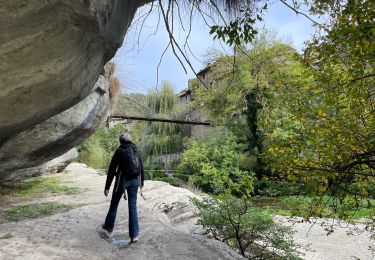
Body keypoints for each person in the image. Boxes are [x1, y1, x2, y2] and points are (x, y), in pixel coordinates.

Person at [102, 133, 144, 243]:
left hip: (122, 181)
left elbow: (112, 169)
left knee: (114, 203)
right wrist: (142, 182)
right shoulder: (136, 150)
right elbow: (141, 166)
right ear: (130, 141)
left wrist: (107, 187)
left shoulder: (119, 151)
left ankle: (109, 227)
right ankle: (134, 235)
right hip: (135, 181)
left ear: (121, 141)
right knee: (132, 206)